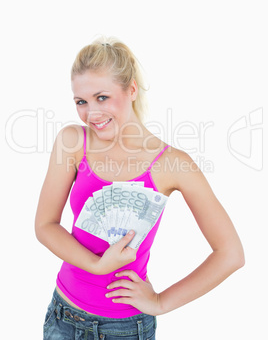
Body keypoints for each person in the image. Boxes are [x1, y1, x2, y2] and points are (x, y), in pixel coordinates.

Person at [35, 36, 245, 340]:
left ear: (131, 89)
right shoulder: (72, 142)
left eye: (102, 97)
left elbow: (231, 254)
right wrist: (97, 264)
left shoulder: (172, 163)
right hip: (62, 315)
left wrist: (160, 301)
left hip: (124, 328)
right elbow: (44, 225)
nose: (91, 113)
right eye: (81, 101)